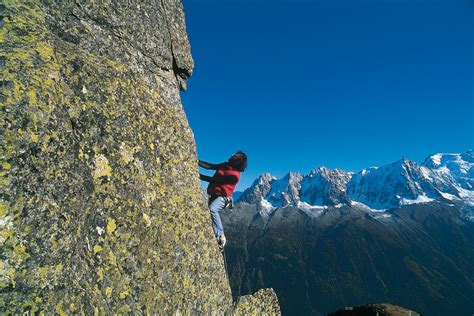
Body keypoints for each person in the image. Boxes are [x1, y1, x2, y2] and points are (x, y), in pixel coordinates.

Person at [199, 151, 247, 250]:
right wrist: (196, 161)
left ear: (237, 161)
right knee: (209, 213)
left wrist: (198, 176)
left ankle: (221, 236)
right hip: (214, 194)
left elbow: (216, 181)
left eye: (234, 156)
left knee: (212, 209)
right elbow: (210, 166)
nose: (231, 155)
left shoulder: (235, 176)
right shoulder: (226, 165)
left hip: (224, 197)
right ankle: (219, 235)